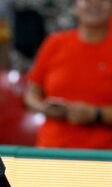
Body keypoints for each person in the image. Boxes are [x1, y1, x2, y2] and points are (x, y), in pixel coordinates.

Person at [24, 0, 112, 149]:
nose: (94, 4)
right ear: (75, 6)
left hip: (103, 155)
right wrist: (44, 108)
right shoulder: (54, 43)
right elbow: (30, 94)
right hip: (50, 150)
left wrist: (96, 114)